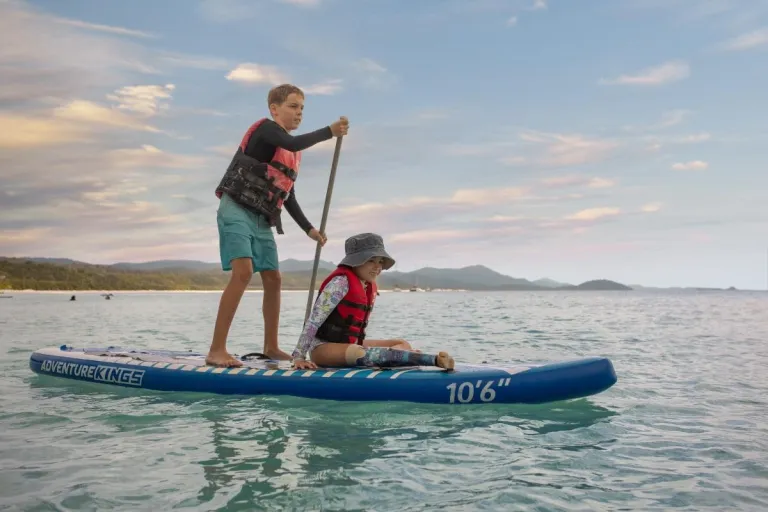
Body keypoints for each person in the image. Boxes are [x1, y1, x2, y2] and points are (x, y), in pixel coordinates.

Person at [206, 83, 349, 368]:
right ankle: (216, 350)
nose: (299, 114)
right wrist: (329, 132)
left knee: (274, 278)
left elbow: (287, 194)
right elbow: (294, 142)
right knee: (243, 272)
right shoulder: (266, 131)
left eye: (302, 109)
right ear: (275, 108)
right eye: (293, 107)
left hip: (262, 219)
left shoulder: (291, 154)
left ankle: (271, 346)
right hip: (235, 209)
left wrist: (309, 229)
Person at [290, 233, 455, 371]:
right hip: (323, 348)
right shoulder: (340, 283)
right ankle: (430, 360)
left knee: (401, 343)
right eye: (371, 260)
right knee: (358, 352)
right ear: (355, 261)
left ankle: (396, 358)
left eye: (380, 261)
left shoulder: (368, 286)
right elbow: (313, 322)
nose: (377, 267)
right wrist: (298, 357)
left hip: (351, 344)